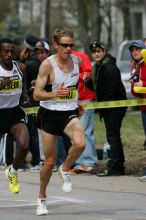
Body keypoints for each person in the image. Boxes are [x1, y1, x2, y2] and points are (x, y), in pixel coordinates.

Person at [33, 27, 85, 216]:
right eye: (64, 45)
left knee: (80, 144)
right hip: (49, 114)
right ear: (55, 45)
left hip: (69, 112)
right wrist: (55, 93)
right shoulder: (47, 65)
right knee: (49, 161)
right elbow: (37, 93)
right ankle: (41, 198)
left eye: (71, 45)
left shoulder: (77, 61)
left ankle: (64, 169)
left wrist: (76, 101)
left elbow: (72, 86)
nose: (69, 48)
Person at [84, 42, 127, 176]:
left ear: (104, 51)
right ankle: (117, 165)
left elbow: (110, 91)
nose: (96, 54)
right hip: (108, 107)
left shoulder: (109, 67)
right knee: (113, 136)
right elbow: (99, 89)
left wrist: (103, 106)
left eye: (99, 51)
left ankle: (115, 168)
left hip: (114, 107)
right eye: (94, 52)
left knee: (113, 137)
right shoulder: (98, 66)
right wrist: (88, 82)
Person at [0, 38, 29, 193]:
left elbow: (22, 83)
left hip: (13, 113)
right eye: (5, 51)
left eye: (12, 51)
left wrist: (24, 94)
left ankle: (13, 171)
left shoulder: (20, 67)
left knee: (24, 145)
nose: (9, 54)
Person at [67, 50, 98, 174]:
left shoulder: (81, 57)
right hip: (70, 100)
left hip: (85, 98)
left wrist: (76, 75)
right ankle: (79, 163)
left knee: (85, 130)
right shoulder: (57, 60)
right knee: (74, 132)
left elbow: (88, 74)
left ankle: (90, 162)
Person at [128, 40, 146, 181]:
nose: (134, 51)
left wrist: (143, 84)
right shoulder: (135, 67)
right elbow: (135, 93)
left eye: (137, 49)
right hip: (143, 107)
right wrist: (134, 84)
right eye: (132, 50)